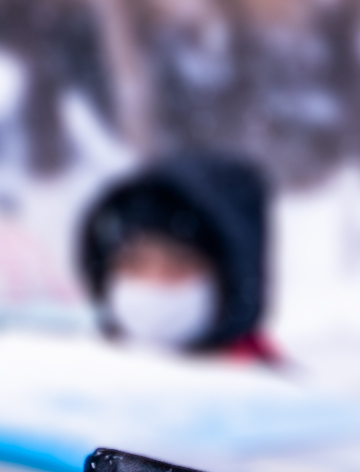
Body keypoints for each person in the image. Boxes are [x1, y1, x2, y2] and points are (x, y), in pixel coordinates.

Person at [73, 151, 281, 363]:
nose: (153, 283)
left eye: (179, 265)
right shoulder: (79, 379)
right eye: (132, 263)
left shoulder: (270, 392)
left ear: (232, 282)